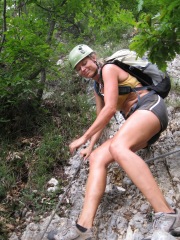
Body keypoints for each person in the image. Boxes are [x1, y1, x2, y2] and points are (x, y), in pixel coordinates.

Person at [48, 44, 180, 240]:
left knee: (118, 147)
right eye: (79, 68)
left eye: (84, 63)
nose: (83, 69)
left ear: (93, 57)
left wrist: (83, 137)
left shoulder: (109, 69)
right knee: (97, 159)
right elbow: (101, 118)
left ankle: (168, 216)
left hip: (150, 107)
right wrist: (90, 146)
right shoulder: (97, 87)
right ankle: (83, 227)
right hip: (138, 122)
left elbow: (110, 109)